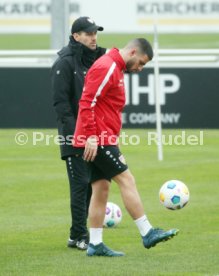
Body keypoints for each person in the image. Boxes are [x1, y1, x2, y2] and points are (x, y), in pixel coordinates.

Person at [73, 38, 179, 256]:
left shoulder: (116, 68)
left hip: (104, 138)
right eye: (140, 63)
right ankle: (147, 231)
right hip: (98, 139)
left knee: (101, 189)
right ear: (132, 52)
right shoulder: (107, 66)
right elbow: (87, 102)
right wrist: (92, 137)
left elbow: (105, 107)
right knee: (127, 179)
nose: (140, 69)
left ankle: (95, 244)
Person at [51, 16, 106, 250]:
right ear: (76, 36)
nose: (94, 37)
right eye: (88, 33)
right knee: (80, 184)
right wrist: (77, 136)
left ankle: (76, 235)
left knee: (92, 183)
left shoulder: (97, 60)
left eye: (95, 32)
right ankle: (82, 236)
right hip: (73, 135)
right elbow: (62, 105)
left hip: (95, 134)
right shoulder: (64, 63)